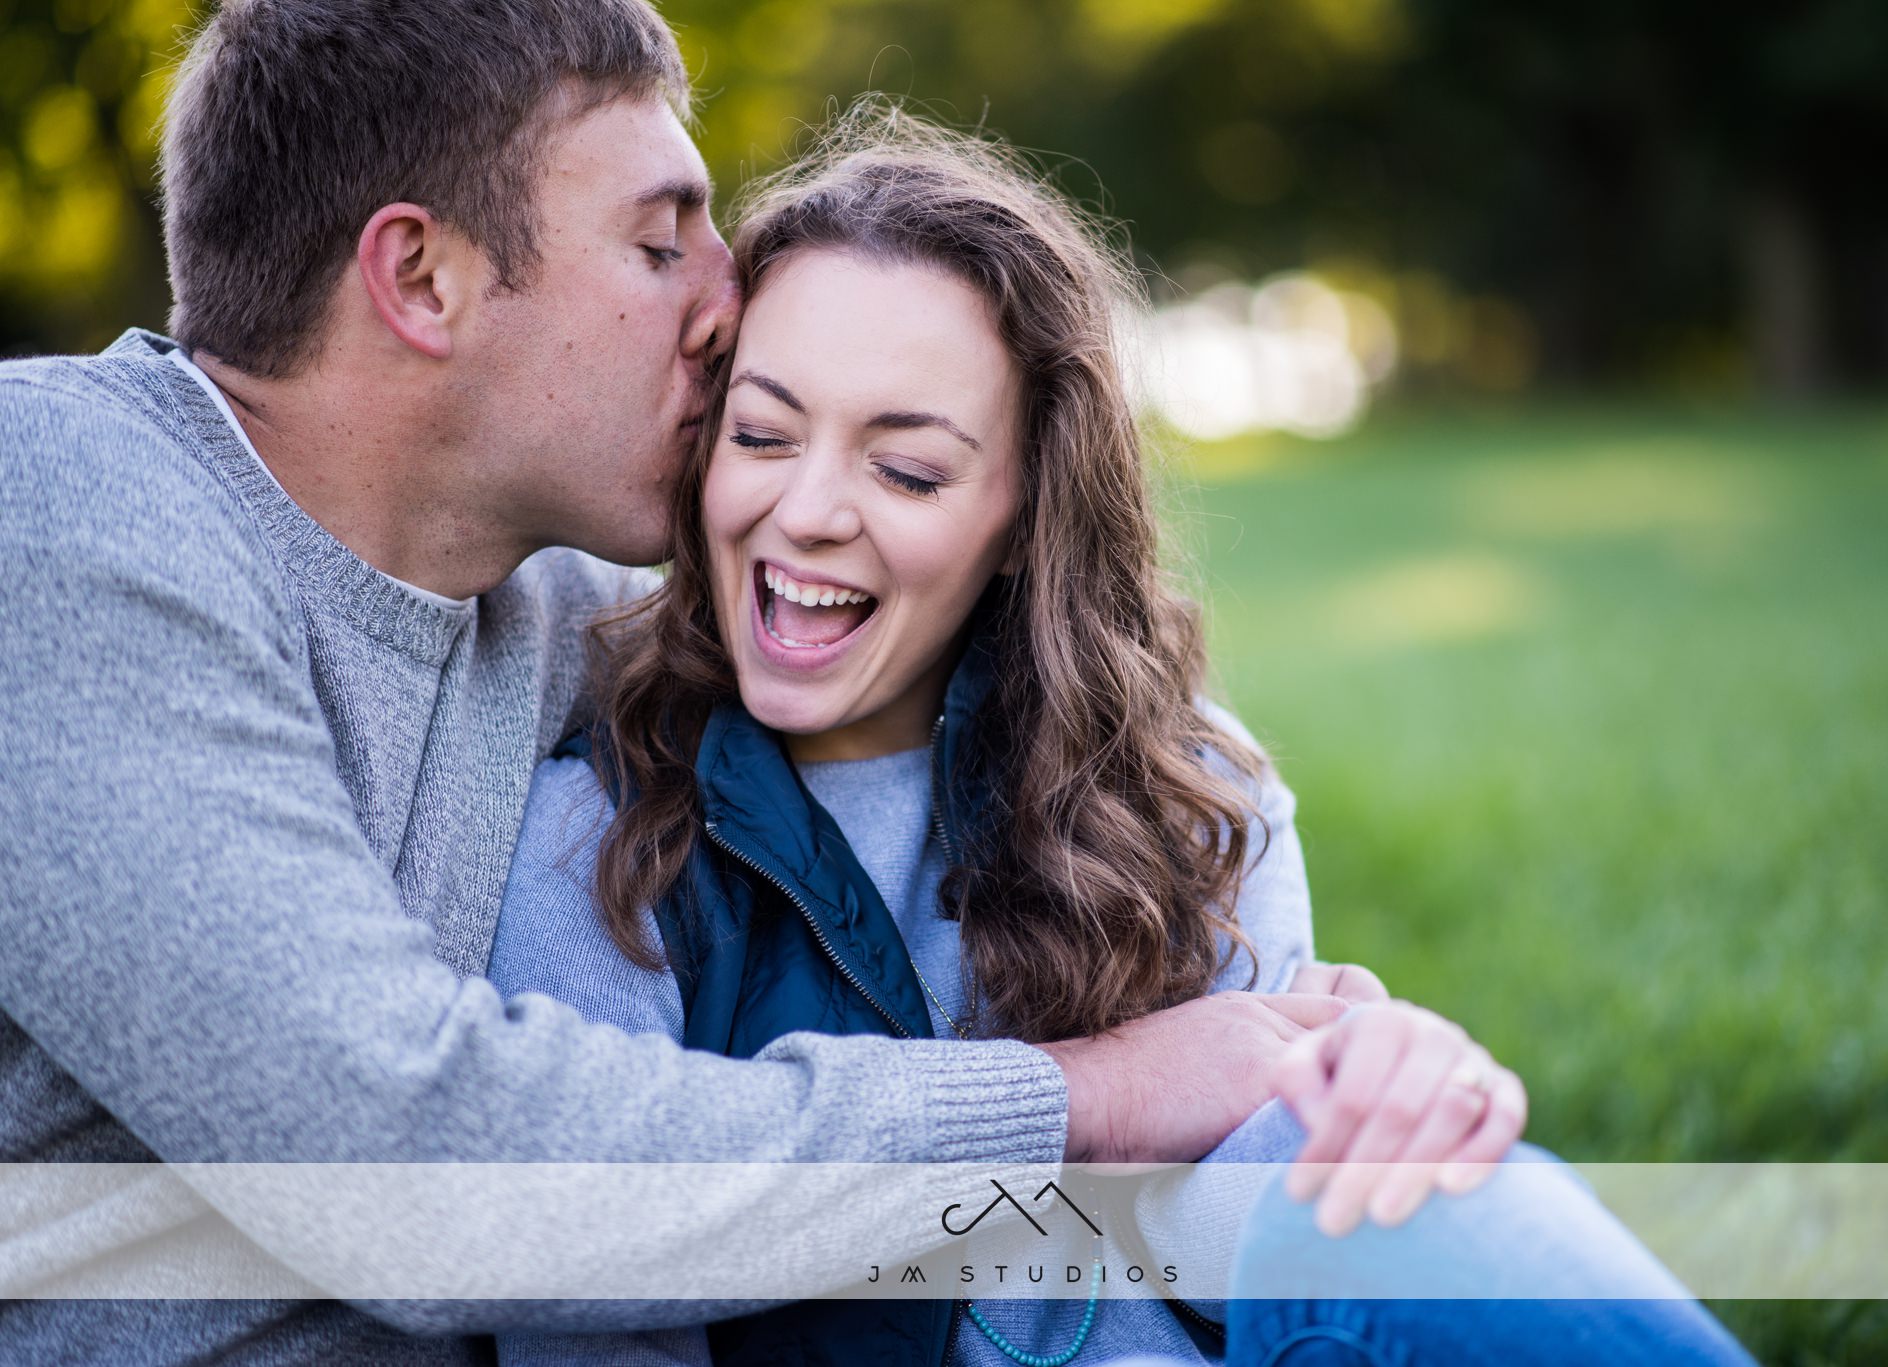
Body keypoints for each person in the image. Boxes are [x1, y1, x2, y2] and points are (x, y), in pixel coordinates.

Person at [0, 3, 1399, 1361]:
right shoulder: (64, 511)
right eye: (661, 239)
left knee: (1452, 1215)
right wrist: (1083, 1097)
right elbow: (410, 1157)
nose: (727, 303)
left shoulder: (534, 596)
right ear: (423, 279)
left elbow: (938, 639)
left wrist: (1351, 1044)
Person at [485, 105, 1758, 1366]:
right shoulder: (594, 847)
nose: (807, 509)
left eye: (909, 470)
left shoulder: (1187, 781)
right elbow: (591, 1308)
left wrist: (1362, 1099)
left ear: (1024, 510)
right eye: (760, 435)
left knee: (1419, 1193)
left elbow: (1233, 1215)